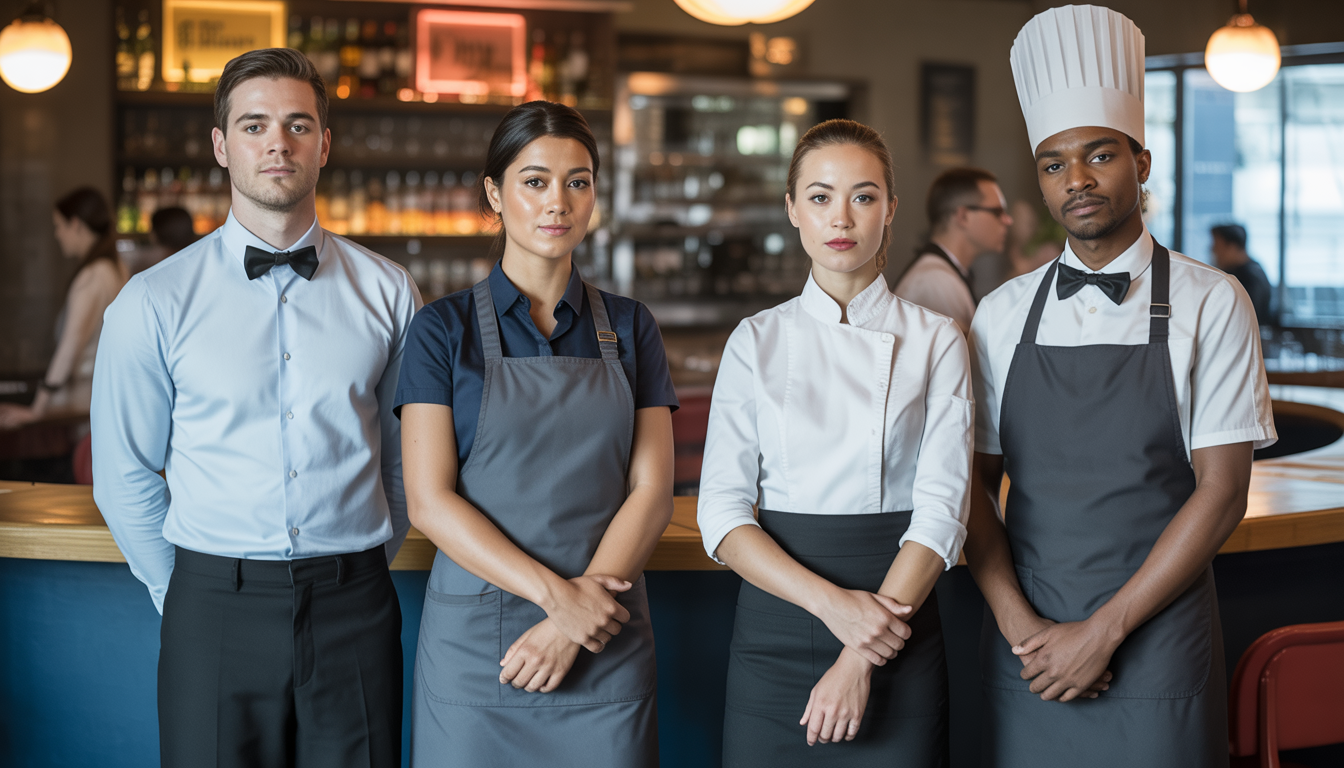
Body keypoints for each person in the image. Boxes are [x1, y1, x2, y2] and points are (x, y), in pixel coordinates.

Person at [964, 7, 1276, 767]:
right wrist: (1019, 627)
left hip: (1159, 635)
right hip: (1027, 642)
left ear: (1140, 160)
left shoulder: (1213, 300)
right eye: (1052, 163)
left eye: (1099, 155)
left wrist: (1104, 631)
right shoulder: (1000, 314)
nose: (1076, 180)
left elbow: (1223, 492)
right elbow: (970, 486)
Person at [91, 48, 420, 768]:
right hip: (211, 605)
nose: (278, 142)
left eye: (299, 124)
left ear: (325, 144)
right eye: (255, 125)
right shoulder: (151, 302)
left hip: (356, 605)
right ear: (221, 145)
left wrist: (358, 563)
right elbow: (126, 476)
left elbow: (405, 460)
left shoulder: (391, 292)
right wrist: (189, 593)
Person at [398, 101, 677, 767]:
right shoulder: (441, 331)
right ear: (494, 192)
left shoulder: (633, 327)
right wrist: (560, 603)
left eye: (578, 182)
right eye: (535, 181)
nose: (558, 202)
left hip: (605, 638)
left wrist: (575, 625)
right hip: (477, 652)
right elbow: (430, 501)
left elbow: (653, 491)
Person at [699, 119, 973, 766]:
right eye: (820, 197)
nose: (841, 217)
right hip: (775, 629)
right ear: (792, 209)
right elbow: (722, 515)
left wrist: (859, 652)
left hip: (896, 622)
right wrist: (833, 607)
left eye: (864, 195)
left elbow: (942, 514)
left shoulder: (937, 340)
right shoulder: (755, 341)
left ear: (891, 209)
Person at [0, 188, 128, 432]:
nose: (57, 235)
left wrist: (37, 409)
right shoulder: (116, 268)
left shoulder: (93, 277)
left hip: (82, 406)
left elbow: (70, 348)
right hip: (99, 401)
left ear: (76, 224)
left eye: (59, 226)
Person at [893, 167, 1012, 334]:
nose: (1008, 220)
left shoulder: (941, 275)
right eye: (997, 212)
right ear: (963, 216)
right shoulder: (935, 283)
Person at [1211, 224, 1273, 325]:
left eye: (1217, 245)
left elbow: (1241, 320)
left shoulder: (1249, 278)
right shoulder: (1254, 269)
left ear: (1232, 247)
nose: (1212, 250)